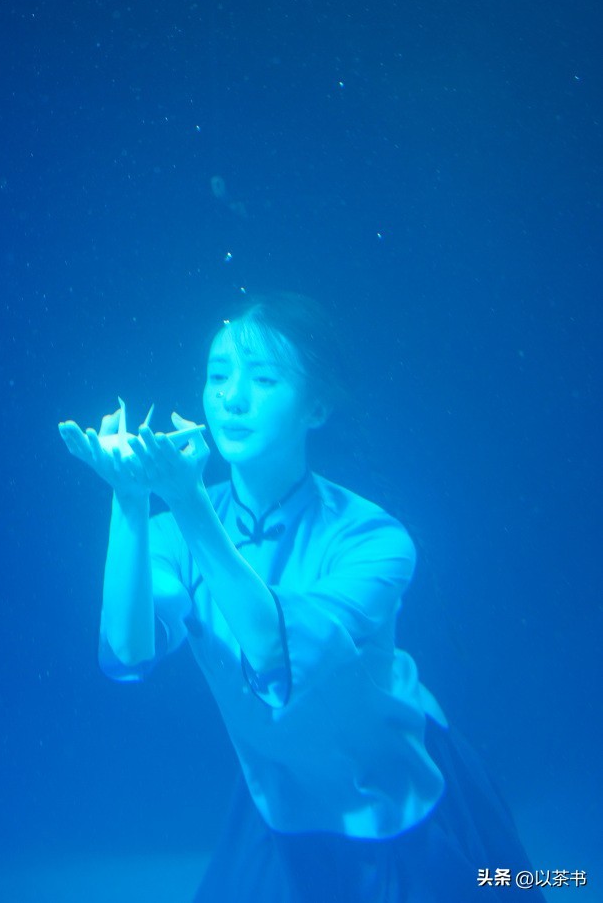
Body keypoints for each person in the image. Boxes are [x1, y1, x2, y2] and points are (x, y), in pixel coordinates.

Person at [58, 293, 543, 902]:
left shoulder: (374, 538)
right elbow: (128, 656)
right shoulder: (173, 530)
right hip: (280, 796)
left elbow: (275, 664)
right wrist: (128, 499)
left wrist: (186, 501)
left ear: (317, 407)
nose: (232, 398)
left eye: (263, 379)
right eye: (217, 376)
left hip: (397, 796)